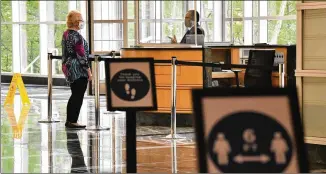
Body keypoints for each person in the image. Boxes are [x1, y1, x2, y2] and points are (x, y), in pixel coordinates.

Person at [62, 10, 92, 129]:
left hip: (68, 67)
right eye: (81, 20)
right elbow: (81, 55)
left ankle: (70, 120)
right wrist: (89, 71)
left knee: (74, 94)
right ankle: (72, 121)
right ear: (76, 22)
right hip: (77, 69)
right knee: (78, 95)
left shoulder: (66, 34)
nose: (82, 22)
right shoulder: (77, 36)